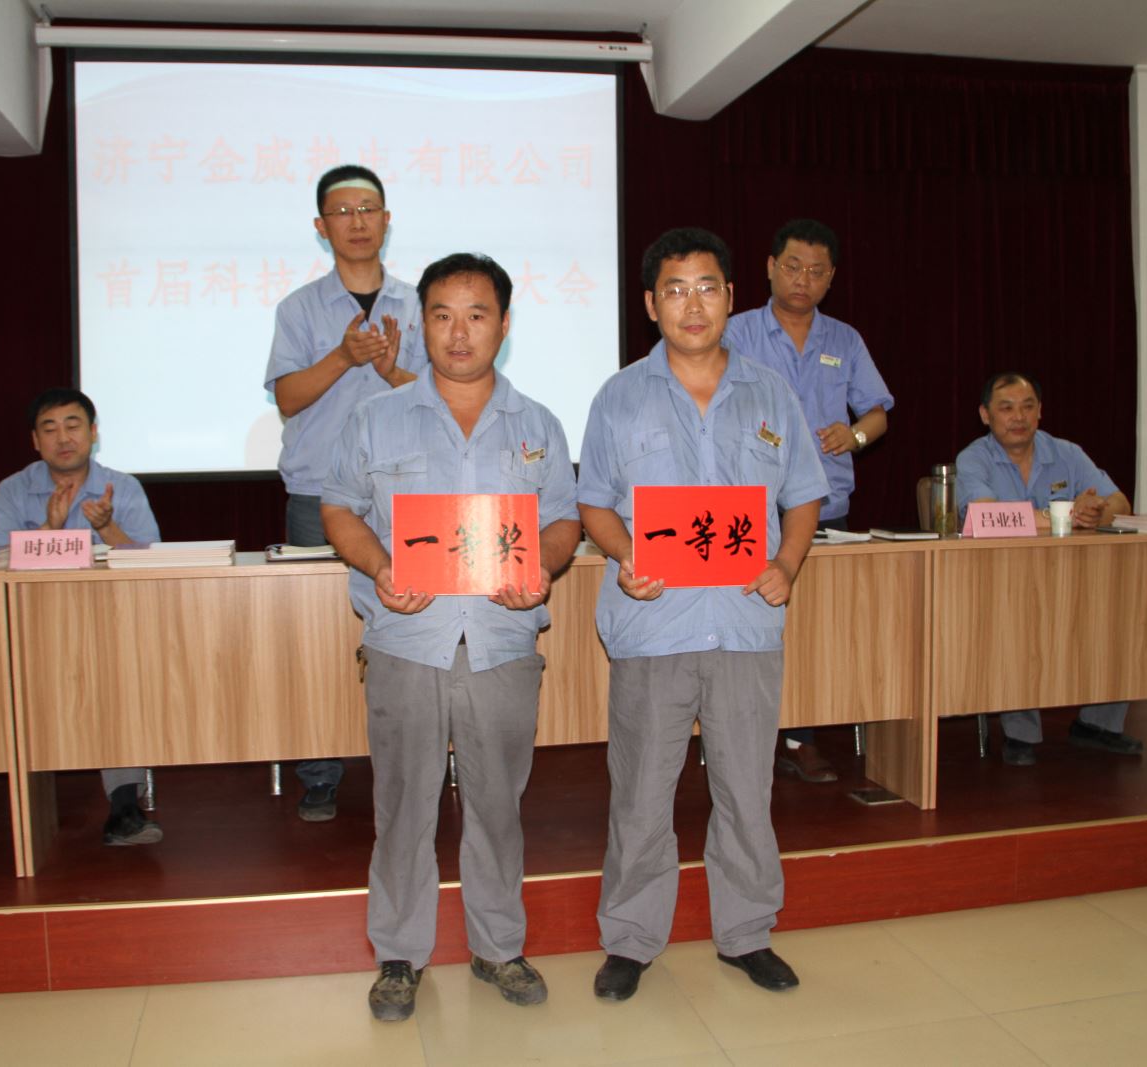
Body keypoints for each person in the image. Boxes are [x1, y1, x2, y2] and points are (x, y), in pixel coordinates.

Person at [321, 253, 580, 1022]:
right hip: (407, 639)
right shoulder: (375, 417)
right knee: (404, 804)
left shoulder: (538, 423)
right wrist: (381, 564)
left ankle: (499, 946)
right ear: (420, 324)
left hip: (501, 643)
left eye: (476, 314)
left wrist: (543, 568)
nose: (458, 332)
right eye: (441, 315)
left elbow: (562, 519)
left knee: (497, 803)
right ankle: (399, 954)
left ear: (503, 323)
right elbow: (339, 508)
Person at [577, 228, 829, 1001]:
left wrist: (787, 563)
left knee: (747, 788)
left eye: (708, 287)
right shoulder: (620, 395)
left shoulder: (771, 392)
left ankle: (747, 931)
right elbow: (594, 504)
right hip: (653, 623)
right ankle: (630, 938)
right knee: (641, 792)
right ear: (651, 304)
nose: (694, 304)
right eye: (676, 289)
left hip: (745, 623)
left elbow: (803, 494)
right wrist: (626, 553)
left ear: (731, 297)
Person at [0, 388, 164, 864]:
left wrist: (106, 528)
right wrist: (48, 530)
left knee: (121, 673)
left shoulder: (123, 488)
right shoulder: (13, 490)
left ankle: (125, 811)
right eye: (49, 428)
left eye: (73, 425)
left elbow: (151, 568)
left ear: (93, 433)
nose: (64, 437)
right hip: (20, 629)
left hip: (103, 626)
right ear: (35, 441)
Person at [264, 163, 428, 823]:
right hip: (317, 496)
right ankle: (320, 773)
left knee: (409, 629)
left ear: (386, 220)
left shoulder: (421, 304)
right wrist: (342, 357)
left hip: (405, 497)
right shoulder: (298, 308)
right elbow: (286, 397)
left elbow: (447, 397)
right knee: (318, 639)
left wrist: (391, 370)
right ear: (320, 226)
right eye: (342, 211)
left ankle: (412, 765)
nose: (357, 222)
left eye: (368, 209)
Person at [727, 218, 893, 785]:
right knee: (750, 623)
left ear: (831, 279)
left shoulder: (844, 341)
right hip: (749, 508)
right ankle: (747, 738)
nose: (803, 280)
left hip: (824, 505)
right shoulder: (736, 332)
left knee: (816, 628)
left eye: (816, 272)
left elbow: (876, 413)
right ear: (770, 267)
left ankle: (801, 739)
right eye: (793, 267)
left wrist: (856, 435)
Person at [957, 371, 1141, 766]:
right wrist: (1064, 514)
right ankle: (1021, 735)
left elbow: (1120, 503)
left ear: (1040, 412)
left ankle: (1098, 725)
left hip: (1072, 576)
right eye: (1006, 408)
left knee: (1118, 611)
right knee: (1015, 619)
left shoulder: (1067, 453)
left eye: (1027, 407)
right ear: (986, 415)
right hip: (1000, 579)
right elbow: (983, 516)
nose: (1018, 417)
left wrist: (1096, 512)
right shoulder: (973, 458)